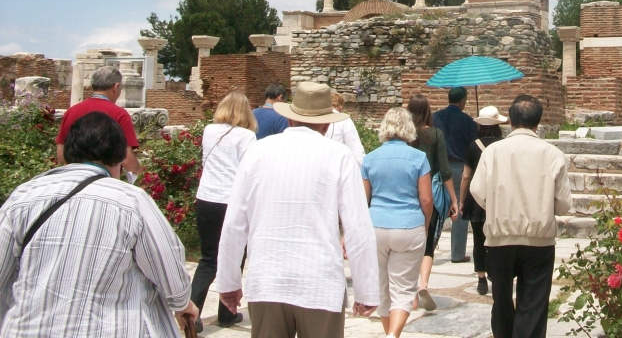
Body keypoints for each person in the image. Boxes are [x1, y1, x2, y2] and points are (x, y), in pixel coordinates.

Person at [0, 111, 198, 336]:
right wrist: (182, 303)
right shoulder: (131, 200)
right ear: (118, 157)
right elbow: (167, 264)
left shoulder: (23, 196)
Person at [216, 81, 378, 338]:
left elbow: (235, 222)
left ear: (289, 119)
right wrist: (366, 289)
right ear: (326, 124)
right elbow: (357, 226)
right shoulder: (339, 156)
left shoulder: (257, 151)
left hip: (267, 278)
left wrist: (228, 282)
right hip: (319, 282)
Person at [470, 95, 571, 338]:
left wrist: (495, 207)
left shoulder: (493, 152)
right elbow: (563, 205)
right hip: (539, 240)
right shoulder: (553, 154)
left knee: (502, 299)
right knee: (534, 303)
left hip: (500, 238)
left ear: (511, 121)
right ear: (538, 122)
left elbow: (477, 190)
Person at [189, 91, 258, 333]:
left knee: (208, 258)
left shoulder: (209, 130)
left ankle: (192, 313)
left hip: (207, 197)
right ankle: (226, 313)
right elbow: (249, 170)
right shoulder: (247, 136)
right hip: (232, 200)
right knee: (234, 257)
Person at [361, 108, 433, 338]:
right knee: (403, 289)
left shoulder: (370, 158)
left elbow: (363, 199)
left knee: (382, 289)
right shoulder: (418, 158)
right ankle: (393, 335)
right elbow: (426, 198)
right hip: (408, 224)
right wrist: (426, 223)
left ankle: (391, 334)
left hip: (376, 225)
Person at [407, 95, 458, 312]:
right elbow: (445, 171)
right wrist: (454, 199)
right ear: (428, 110)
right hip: (431, 195)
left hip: (408, 195)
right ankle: (424, 284)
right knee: (429, 244)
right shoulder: (436, 134)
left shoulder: (405, 136)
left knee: (409, 246)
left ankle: (412, 297)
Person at [55, 65, 141, 178]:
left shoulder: (71, 112)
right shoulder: (119, 114)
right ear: (116, 87)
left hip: (73, 179)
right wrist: (140, 173)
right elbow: (127, 158)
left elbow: (61, 154)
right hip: (106, 181)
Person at [457, 105, 506, 296]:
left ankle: (481, 278)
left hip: (476, 197)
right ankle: (495, 272)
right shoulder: (503, 145)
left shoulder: (473, 146)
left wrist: (462, 200)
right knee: (496, 239)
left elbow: (466, 176)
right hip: (498, 197)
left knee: (478, 239)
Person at [431, 87, 478, 263]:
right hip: (459, 168)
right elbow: (472, 147)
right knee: (459, 208)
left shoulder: (435, 118)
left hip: (438, 169)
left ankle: (429, 249)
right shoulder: (468, 122)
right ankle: (457, 253)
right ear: (462, 101)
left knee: (437, 209)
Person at [325, 91, 366, 165]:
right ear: (341, 106)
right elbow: (355, 148)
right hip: (338, 164)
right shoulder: (344, 120)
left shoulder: (317, 118)